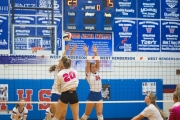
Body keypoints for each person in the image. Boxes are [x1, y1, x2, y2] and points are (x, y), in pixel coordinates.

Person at [49, 44, 77, 120]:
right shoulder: (57, 70)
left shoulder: (67, 71)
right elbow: (63, 60)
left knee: (63, 117)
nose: (62, 65)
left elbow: (69, 61)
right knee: (56, 117)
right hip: (55, 94)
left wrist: (72, 51)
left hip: (64, 95)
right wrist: (66, 50)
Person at [81, 45, 103, 120]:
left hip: (99, 95)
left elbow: (98, 61)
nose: (94, 68)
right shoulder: (88, 74)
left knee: (100, 114)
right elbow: (87, 62)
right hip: (92, 96)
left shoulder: (98, 72)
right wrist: (86, 52)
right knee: (86, 115)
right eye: (92, 67)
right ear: (89, 68)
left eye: (95, 66)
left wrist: (96, 53)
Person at [53, 56, 79, 120]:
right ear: (70, 63)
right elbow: (76, 81)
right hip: (74, 94)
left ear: (62, 64)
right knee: (76, 118)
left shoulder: (60, 73)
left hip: (65, 94)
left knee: (56, 117)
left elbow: (57, 86)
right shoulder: (75, 71)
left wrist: (61, 90)